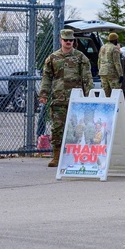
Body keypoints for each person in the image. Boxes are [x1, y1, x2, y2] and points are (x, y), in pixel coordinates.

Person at [38, 28, 93, 167]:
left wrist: (89, 95)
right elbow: (47, 77)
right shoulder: (53, 58)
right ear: (60, 40)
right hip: (58, 99)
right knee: (57, 128)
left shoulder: (81, 57)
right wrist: (43, 94)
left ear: (73, 41)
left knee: (76, 128)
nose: (68, 42)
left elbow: (87, 78)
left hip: (77, 99)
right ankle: (56, 156)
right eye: (65, 40)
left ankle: (75, 155)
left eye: (71, 40)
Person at [98, 32, 123, 98]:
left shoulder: (102, 47)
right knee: (115, 93)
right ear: (115, 40)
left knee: (106, 94)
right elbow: (117, 63)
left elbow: (99, 60)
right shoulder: (114, 48)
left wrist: (100, 70)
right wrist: (121, 75)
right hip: (112, 73)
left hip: (102, 72)